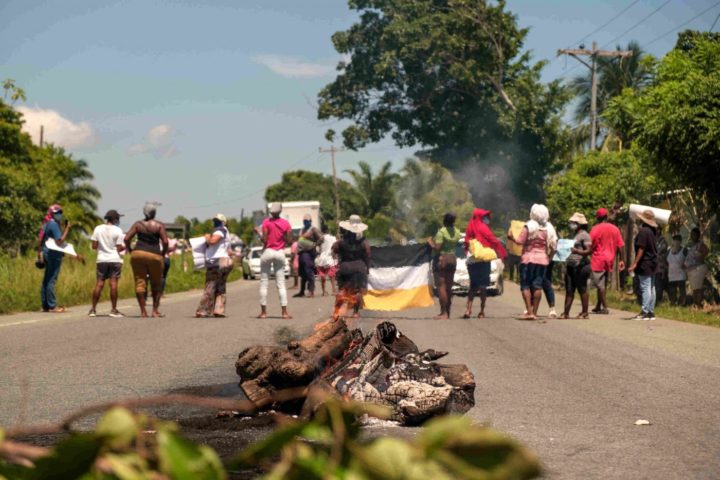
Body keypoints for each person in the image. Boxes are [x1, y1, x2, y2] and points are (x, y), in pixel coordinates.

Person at [512, 204, 557, 320]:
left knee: (525, 285)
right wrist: (549, 258)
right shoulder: (549, 228)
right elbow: (554, 247)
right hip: (542, 260)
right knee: (537, 286)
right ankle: (535, 313)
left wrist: (512, 237)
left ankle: (529, 312)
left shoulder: (529, 226)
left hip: (528, 259)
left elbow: (519, 241)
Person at [124, 202, 169, 318]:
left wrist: (130, 250)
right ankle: (155, 311)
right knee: (156, 283)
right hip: (154, 255)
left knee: (140, 283)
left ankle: (143, 311)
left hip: (138, 254)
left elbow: (126, 238)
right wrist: (163, 254)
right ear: (154, 213)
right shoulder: (159, 225)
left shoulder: (138, 224)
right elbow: (165, 241)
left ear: (144, 212)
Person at [464, 209, 507, 319]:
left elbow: (466, 242)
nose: (486, 218)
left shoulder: (470, 227)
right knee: (483, 286)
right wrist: (501, 251)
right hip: (484, 261)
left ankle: (468, 310)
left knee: (472, 286)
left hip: (472, 261)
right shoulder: (484, 227)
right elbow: (493, 240)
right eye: (484, 216)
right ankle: (482, 311)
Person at [332, 215, 371, 320]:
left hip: (345, 267)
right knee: (357, 291)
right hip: (359, 268)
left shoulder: (341, 242)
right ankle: (355, 313)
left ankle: (336, 312)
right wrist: (367, 267)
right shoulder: (363, 241)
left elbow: (334, 250)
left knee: (342, 290)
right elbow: (368, 254)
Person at [257, 202, 292, 319]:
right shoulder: (285, 223)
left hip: (268, 252)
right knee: (281, 284)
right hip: (279, 253)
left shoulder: (266, 222)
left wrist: (258, 233)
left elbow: (264, 240)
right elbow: (289, 241)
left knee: (264, 283)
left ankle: (263, 313)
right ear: (280, 210)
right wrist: (283, 237)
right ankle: (284, 313)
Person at [89, 209, 126, 317]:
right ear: (115, 219)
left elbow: (94, 246)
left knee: (99, 284)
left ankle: (93, 309)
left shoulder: (98, 228)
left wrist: (102, 247)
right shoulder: (118, 230)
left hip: (101, 260)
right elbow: (119, 248)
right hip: (114, 259)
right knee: (113, 284)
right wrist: (124, 247)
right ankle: (113, 310)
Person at [195, 214, 234, 317]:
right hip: (225, 262)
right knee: (220, 286)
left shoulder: (219, 230)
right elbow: (230, 251)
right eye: (215, 221)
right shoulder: (227, 233)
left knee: (210, 285)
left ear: (223, 222)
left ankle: (203, 311)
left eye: (217, 221)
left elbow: (213, 241)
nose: (215, 223)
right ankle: (219, 310)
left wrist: (207, 237)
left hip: (216, 262)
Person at [589, 207, 625, 314]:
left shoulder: (595, 229)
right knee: (603, 283)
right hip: (610, 259)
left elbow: (590, 244)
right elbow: (620, 245)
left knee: (599, 284)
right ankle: (598, 305)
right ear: (606, 216)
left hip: (598, 258)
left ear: (597, 217)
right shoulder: (615, 229)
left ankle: (605, 307)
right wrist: (621, 260)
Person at [38, 204, 71, 313]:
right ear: (52, 214)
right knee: (52, 279)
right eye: (57, 213)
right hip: (53, 255)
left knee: (47, 279)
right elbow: (59, 241)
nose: (59, 214)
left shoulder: (47, 223)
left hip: (47, 253)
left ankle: (45, 305)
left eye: (60, 212)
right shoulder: (54, 225)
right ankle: (52, 306)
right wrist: (67, 229)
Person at [428, 213, 461, 319]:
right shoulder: (457, 232)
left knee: (441, 286)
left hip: (442, 259)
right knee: (448, 287)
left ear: (444, 221)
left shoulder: (441, 232)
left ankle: (444, 313)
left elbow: (437, 248)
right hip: (452, 259)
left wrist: (431, 242)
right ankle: (448, 312)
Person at [560, 213, 592, 319]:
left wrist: (577, 251)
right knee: (569, 290)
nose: (571, 224)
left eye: (574, 223)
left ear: (579, 224)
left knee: (582, 289)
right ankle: (566, 313)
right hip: (571, 265)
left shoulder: (585, 235)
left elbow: (589, 250)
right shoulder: (574, 235)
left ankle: (585, 313)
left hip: (581, 266)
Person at [628, 210, 659, 320]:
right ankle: (651, 311)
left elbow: (641, 249)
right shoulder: (652, 231)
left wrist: (634, 263)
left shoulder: (643, 231)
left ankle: (644, 311)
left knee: (646, 287)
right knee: (651, 287)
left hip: (645, 262)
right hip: (653, 262)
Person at [295, 214, 322, 298]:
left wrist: (314, 245)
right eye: (304, 221)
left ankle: (311, 291)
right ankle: (302, 291)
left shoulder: (313, 229)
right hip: (301, 252)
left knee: (308, 271)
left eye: (307, 221)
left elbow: (321, 238)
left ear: (310, 221)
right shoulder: (302, 229)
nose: (305, 222)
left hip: (309, 253)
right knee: (302, 273)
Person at [685, 227, 709, 308]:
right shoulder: (692, 245)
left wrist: (701, 257)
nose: (692, 236)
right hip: (692, 269)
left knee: (697, 289)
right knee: (695, 289)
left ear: (698, 235)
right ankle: (697, 305)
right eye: (691, 235)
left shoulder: (700, 244)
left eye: (694, 235)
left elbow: (706, 250)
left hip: (698, 268)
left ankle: (699, 305)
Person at [316, 224, 338, 296]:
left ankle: (323, 291)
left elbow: (317, 246)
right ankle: (333, 291)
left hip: (322, 259)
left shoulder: (321, 238)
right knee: (332, 276)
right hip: (330, 258)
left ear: (322, 231)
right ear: (328, 230)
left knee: (322, 275)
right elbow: (335, 246)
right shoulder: (333, 238)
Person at [666, 234, 687, 306]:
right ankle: (673, 303)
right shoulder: (668, 251)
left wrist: (685, 265)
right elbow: (665, 261)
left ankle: (682, 304)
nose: (676, 242)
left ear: (680, 241)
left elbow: (689, 259)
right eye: (674, 240)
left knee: (682, 290)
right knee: (672, 290)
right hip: (671, 275)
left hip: (681, 275)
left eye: (678, 240)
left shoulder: (684, 250)